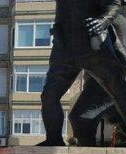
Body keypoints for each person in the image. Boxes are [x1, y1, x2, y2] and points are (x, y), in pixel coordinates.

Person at [40, 0, 126, 145]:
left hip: (91, 45)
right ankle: (53, 140)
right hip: (65, 47)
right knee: (49, 95)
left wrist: (104, 21)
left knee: (118, 91)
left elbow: (113, 2)